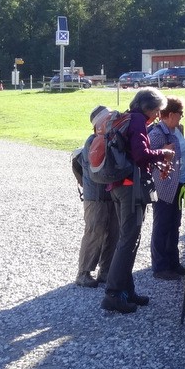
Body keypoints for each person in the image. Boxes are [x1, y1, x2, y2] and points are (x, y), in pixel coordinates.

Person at [102, 88, 175, 314]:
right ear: (148, 108)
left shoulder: (126, 118)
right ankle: (113, 293)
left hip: (117, 185)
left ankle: (127, 290)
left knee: (129, 238)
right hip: (130, 188)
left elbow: (133, 155)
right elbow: (140, 154)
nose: (157, 115)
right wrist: (163, 153)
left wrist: (154, 161)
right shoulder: (137, 121)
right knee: (128, 239)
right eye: (157, 110)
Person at [76, 105, 119, 288]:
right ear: (98, 124)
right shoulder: (92, 142)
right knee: (95, 232)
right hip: (95, 197)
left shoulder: (108, 138)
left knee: (113, 233)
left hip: (109, 195)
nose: (112, 121)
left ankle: (105, 271)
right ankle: (83, 273)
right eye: (108, 119)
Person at [148, 96, 185, 280]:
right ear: (170, 114)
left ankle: (173, 262)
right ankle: (160, 267)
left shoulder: (174, 131)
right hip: (162, 188)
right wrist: (164, 153)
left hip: (175, 185)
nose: (182, 116)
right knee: (162, 226)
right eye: (180, 113)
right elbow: (147, 160)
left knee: (174, 225)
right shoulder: (157, 134)